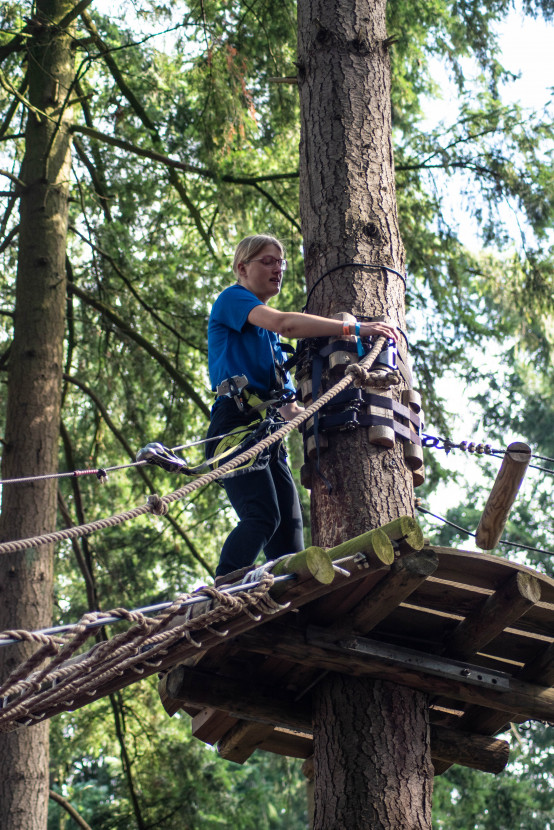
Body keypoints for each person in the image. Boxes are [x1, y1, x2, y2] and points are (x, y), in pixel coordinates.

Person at [207, 234, 398, 580]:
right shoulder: (233, 299)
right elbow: (287, 324)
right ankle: (224, 585)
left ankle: (288, 595)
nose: (277, 269)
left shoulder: (271, 348)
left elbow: (292, 410)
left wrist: (343, 413)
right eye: (267, 261)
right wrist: (354, 327)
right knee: (263, 515)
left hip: (267, 433)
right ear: (242, 268)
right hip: (234, 425)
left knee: (289, 532)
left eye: (280, 262)